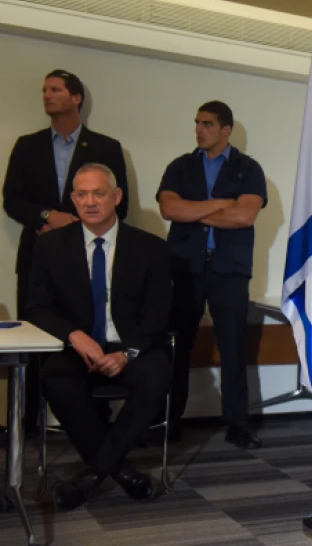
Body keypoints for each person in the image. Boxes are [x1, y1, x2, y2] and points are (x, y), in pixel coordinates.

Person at [27, 163, 170, 511]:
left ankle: (93, 476)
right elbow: (36, 308)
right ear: (73, 200)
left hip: (130, 345)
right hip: (77, 346)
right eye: (82, 194)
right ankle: (121, 471)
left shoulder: (149, 247)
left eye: (99, 193)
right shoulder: (51, 246)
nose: (90, 202)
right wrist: (74, 335)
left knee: (157, 376)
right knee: (56, 380)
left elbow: (160, 312)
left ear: (117, 197)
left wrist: (128, 353)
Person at [3, 69, 128, 434]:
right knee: (33, 335)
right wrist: (47, 216)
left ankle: (92, 421)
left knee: (88, 330)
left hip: (90, 258)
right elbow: (11, 200)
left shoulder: (105, 147)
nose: (47, 95)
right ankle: (26, 423)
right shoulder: (27, 145)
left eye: (55, 89)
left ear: (76, 98)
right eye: (44, 90)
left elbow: (122, 206)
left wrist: (78, 225)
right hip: (37, 256)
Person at [157, 101, 266, 449]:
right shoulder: (180, 166)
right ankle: (169, 420)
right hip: (185, 267)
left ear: (226, 129)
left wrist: (192, 213)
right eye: (197, 123)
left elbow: (244, 217)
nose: (199, 129)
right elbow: (169, 208)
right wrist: (221, 205)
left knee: (233, 346)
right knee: (177, 345)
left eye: (207, 123)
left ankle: (237, 424)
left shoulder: (247, 169)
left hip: (228, 269)